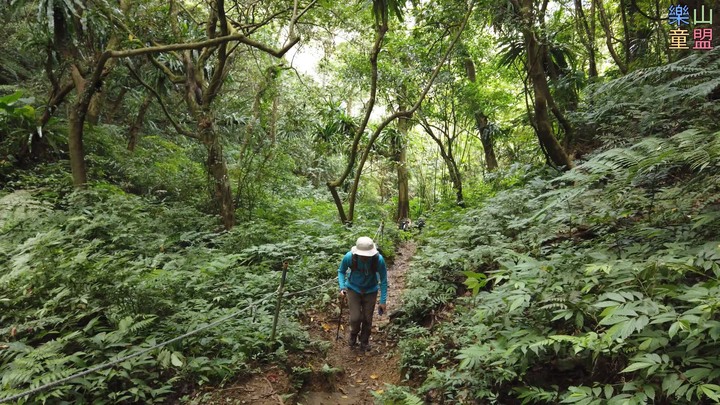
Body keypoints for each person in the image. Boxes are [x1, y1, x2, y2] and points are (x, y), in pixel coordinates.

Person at [338, 236, 388, 351]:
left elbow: (384, 280)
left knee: (367, 318)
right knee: (355, 317)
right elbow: (341, 271)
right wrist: (342, 287)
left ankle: (364, 341)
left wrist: (383, 301)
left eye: (367, 255)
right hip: (353, 289)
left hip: (371, 290)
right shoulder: (349, 257)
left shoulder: (378, 260)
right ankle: (353, 334)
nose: (365, 257)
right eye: (362, 255)